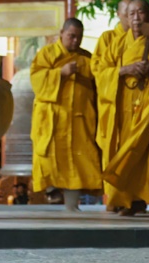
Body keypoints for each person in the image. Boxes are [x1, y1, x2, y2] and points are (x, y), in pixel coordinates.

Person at [93, 0, 149, 218]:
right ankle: (131, 201)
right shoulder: (118, 42)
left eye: (141, 12)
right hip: (126, 108)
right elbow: (102, 72)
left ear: (148, 15)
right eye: (132, 14)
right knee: (129, 151)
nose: (136, 17)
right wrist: (124, 70)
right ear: (126, 18)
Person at [30, 18, 102, 212]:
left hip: (79, 119)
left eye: (79, 37)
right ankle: (52, 192)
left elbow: (99, 82)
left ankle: (72, 205)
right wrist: (59, 73)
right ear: (61, 33)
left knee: (77, 162)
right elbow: (36, 80)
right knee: (49, 158)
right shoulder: (47, 54)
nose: (75, 41)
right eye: (71, 36)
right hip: (53, 119)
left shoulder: (87, 58)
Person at [90, 0, 134, 213]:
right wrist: (122, 71)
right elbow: (97, 71)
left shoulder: (143, 38)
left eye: (134, 12)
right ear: (118, 14)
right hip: (112, 106)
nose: (130, 17)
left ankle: (134, 200)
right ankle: (115, 199)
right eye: (126, 13)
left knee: (134, 151)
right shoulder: (107, 38)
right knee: (112, 153)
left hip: (136, 106)